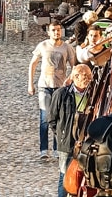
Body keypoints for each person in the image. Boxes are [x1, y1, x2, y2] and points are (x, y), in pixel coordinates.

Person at [49, 64, 93, 197]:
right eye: (84, 76)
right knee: (65, 176)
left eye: (89, 76)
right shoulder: (62, 94)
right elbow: (52, 119)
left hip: (87, 142)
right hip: (67, 143)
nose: (88, 79)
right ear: (75, 77)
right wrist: (62, 136)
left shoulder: (94, 94)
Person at [27, 21, 77, 159]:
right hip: (44, 86)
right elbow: (33, 64)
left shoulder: (67, 48)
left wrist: (70, 79)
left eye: (58, 30)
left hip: (60, 88)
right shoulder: (43, 46)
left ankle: (57, 147)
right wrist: (30, 84)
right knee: (44, 118)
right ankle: (44, 149)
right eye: (53, 30)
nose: (56, 32)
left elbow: (74, 67)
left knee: (60, 119)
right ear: (49, 32)